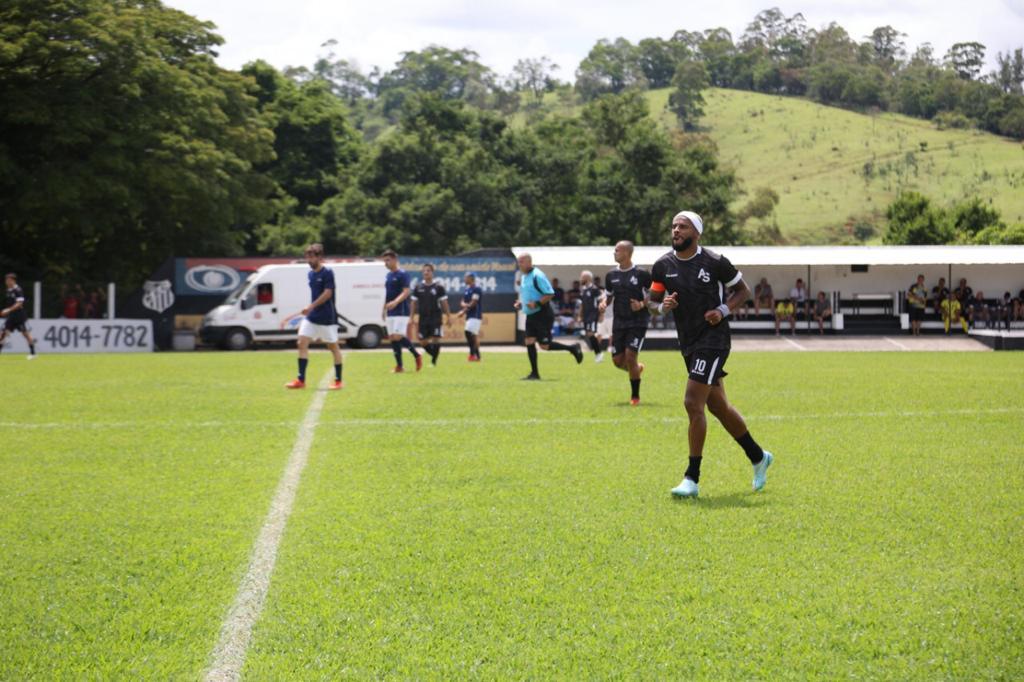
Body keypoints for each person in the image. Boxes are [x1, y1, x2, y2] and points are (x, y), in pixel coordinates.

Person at [648, 211, 773, 498]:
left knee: (693, 403)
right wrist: (662, 306)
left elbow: (743, 291)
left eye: (683, 226)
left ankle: (692, 478)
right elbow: (651, 303)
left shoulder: (715, 262)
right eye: (674, 226)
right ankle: (758, 457)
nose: (676, 230)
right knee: (718, 407)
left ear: (697, 233)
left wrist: (722, 310)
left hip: (714, 339)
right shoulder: (662, 266)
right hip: (689, 343)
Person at [514, 252, 583, 380]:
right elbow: (528, 296)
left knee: (544, 346)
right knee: (529, 341)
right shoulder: (524, 277)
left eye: (521, 262)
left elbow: (550, 293)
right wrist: (521, 304)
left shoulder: (538, 275)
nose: (519, 264)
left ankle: (573, 348)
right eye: (518, 262)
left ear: (529, 262)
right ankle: (534, 374)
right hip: (531, 315)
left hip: (543, 315)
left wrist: (537, 303)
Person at [284, 244, 343, 390]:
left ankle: (338, 381)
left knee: (333, 347)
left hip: (327, 318)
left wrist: (310, 306)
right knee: (301, 343)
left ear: (319, 257)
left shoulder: (328, 272)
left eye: (311, 257)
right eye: (307, 257)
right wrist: (310, 309)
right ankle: (301, 380)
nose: (309, 260)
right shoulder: (310, 274)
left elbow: (328, 293)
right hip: (312, 317)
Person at [601, 241, 652, 405]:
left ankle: (635, 397)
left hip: (638, 322)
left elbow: (655, 294)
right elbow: (608, 295)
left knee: (630, 356)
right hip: (619, 322)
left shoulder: (642, 274)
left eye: (617, 250)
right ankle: (637, 369)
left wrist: (642, 304)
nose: (614, 253)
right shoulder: (611, 276)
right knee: (617, 361)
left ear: (627, 253)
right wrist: (604, 303)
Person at [381, 249, 422, 373]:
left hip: (401, 310)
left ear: (395, 260)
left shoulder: (403, 274)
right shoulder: (388, 275)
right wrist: (383, 309)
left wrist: (395, 302)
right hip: (390, 311)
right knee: (392, 338)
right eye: (384, 261)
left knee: (398, 336)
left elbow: (406, 292)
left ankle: (416, 355)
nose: (386, 263)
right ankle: (399, 366)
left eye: (388, 260)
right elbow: (387, 294)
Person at [410, 263, 451, 366]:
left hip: (435, 317)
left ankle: (433, 362)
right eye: (424, 271)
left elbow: (444, 303)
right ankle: (434, 355)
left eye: (428, 270)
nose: (426, 272)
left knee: (436, 338)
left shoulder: (439, 287)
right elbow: (413, 303)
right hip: (423, 318)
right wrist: (411, 317)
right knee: (422, 341)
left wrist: (448, 316)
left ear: (432, 272)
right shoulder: (418, 287)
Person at [1, 273, 37, 359]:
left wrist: (8, 310)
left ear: (13, 280)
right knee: (3, 333)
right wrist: (8, 311)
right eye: (6, 280)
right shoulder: (9, 290)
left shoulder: (18, 290)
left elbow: (19, 304)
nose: (7, 282)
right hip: (11, 316)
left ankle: (33, 353)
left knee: (26, 334)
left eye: (8, 280)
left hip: (19, 316)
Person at [454, 272, 483, 361]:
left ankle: (472, 355)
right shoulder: (467, 289)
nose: (464, 279)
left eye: (466, 277)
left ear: (471, 278)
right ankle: (477, 356)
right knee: (473, 336)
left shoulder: (476, 289)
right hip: (470, 315)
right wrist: (465, 305)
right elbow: (462, 302)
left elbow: (473, 303)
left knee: (468, 333)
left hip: (475, 315)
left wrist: (463, 311)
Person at [576, 270, 605, 362]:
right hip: (586, 316)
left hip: (593, 315)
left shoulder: (595, 290)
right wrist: (580, 315)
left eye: (582, 277)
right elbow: (582, 305)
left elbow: (601, 302)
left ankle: (599, 353)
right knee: (589, 334)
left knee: (590, 334)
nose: (580, 279)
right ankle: (598, 353)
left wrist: (601, 315)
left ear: (587, 278)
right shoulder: (583, 290)